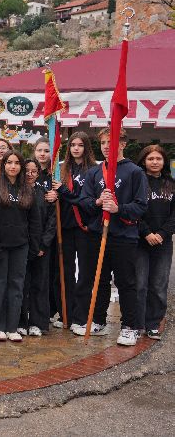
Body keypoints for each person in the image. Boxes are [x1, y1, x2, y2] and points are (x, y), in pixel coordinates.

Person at [76, 127, 148, 346]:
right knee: (100, 279)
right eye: (104, 142)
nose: (107, 146)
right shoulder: (95, 172)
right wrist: (97, 202)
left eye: (112, 141)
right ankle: (98, 320)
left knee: (126, 281)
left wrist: (119, 209)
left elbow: (141, 205)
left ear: (123, 144)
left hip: (123, 235)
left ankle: (129, 326)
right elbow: (84, 201)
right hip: (99, 234)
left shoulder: (134, 172)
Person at [0, 151, 40, 342]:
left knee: (17, 286)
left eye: (16, 163)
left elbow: (34, 221)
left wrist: (33, 245)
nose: (13, 166)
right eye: (9, 162)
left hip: (21, 246)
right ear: (3, 165)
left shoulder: (27, 190)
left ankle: (12, 326)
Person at [53, 131, 97, 331]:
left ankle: (81, 316)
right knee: (65, 272)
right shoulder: (61, 169)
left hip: (85, 227)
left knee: (85, 273)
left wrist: (64, 191)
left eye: (80, 145)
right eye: (72, 145)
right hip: (65, 227)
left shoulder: (94, 170)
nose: (76, 148)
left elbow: (87, 202)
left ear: (86, 147)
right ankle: (66, 314)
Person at [135, 145, 175, 340]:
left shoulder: (171, 184)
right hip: (141, 241)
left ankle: (153, 324)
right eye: (150, 158)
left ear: (163, 161)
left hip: (163, 242)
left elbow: (174, 216)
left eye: (158, 158)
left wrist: (161, 234)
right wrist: (147, 233)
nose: (155, 162)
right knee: (140, 285)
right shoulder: (138, 182)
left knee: (159, 285)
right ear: (144, 161)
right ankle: (138, 324)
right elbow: (134, 211)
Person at [20, 157, 56, 337]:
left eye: (34, 172)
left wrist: (43, 244)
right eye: (27, 171)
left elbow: (51, 221)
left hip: (42, 247)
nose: (30, 175)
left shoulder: (45, 194)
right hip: (20, 246)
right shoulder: (16, 192)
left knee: (40, 284)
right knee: (21, 285)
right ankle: (20, 321)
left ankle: (38, 322)